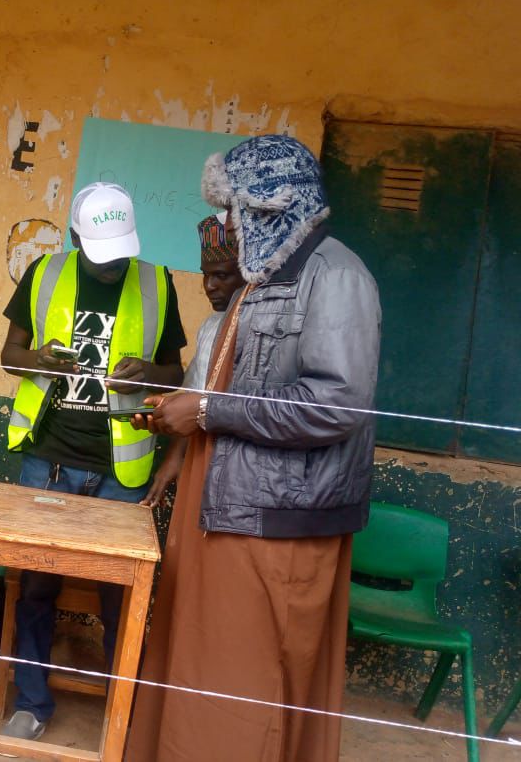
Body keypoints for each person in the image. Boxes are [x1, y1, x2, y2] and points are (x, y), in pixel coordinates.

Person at [125, 135, 381, 761]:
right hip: (226, 505)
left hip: (277, 520)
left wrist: (208, 410)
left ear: (272, 206)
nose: (226, 225)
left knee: (246, 686)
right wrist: (186, 418)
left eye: (235, 210)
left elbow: (338, 404)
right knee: (201, 670)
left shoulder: (336, 276)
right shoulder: (264, 279)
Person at [0, 181, 186, 740]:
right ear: (76, 237)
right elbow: (10, 355)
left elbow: (176, 374)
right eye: (101, 255)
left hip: (121, 468)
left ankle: (120, 714)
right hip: (48, 458)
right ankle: (31, 702)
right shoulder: (45, 273)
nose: (113, 267)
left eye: (121, 253)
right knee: (36, 586)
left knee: (119, 595)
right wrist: (41, 361)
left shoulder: (155, 282)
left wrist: (148, 373)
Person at [140, 211, 245, 508]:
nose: (209, 286)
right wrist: (174, 455)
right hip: (201, 460)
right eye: (205, 274)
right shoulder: (211, 326)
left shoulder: (263, 328)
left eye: (222, 275)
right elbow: (193, 395)